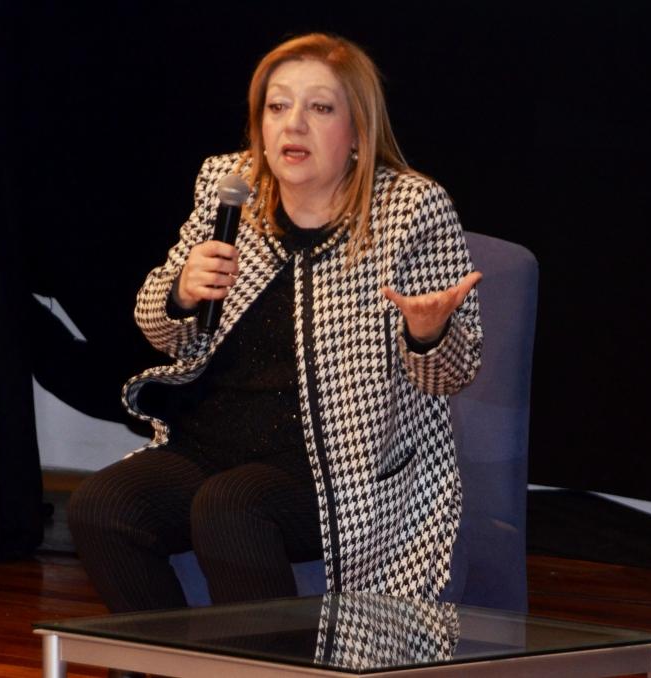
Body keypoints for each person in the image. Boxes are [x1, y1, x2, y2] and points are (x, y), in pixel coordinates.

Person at [68, 33, 483, 614]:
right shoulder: (229, 188)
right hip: (212, 446)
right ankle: (166, 657)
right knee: (102, 507)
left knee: (231, 507)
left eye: (320, 108)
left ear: (358, 133)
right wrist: (182, 294)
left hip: (340, 468)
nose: (293, 125)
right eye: (278, 106)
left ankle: (269, 661)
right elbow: (160, 332)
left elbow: (452, 375)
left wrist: (428, 333)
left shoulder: (409, 209)